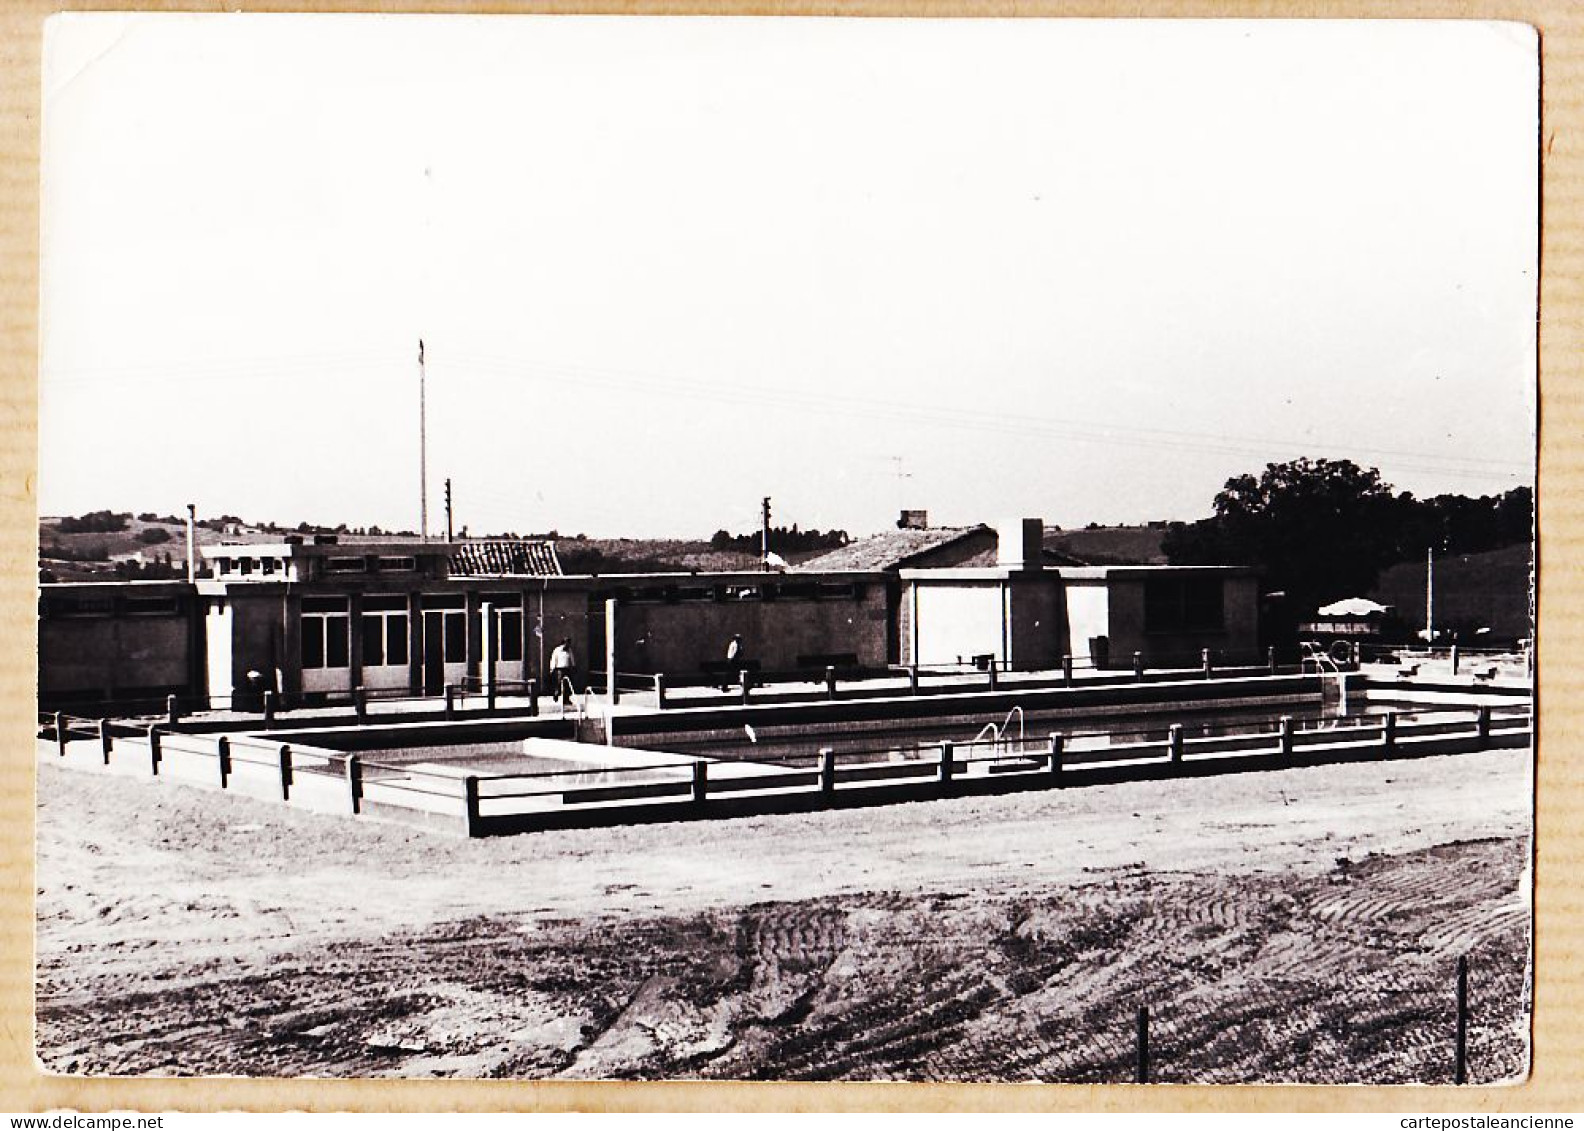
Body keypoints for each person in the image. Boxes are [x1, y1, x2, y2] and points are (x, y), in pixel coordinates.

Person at [548, 637, 577, 706]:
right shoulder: (557, 650)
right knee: (559, 683)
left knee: (567, 684)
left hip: (567, 669)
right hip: (559, 669)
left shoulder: (569, 650)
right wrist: (552, 668)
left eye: (569, 644)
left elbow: (572, 658)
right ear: (563, 643)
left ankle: (566, 699)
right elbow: (554, 659)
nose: (568, 645)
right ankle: (556, 694)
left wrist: (573, 666)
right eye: (566, 643)